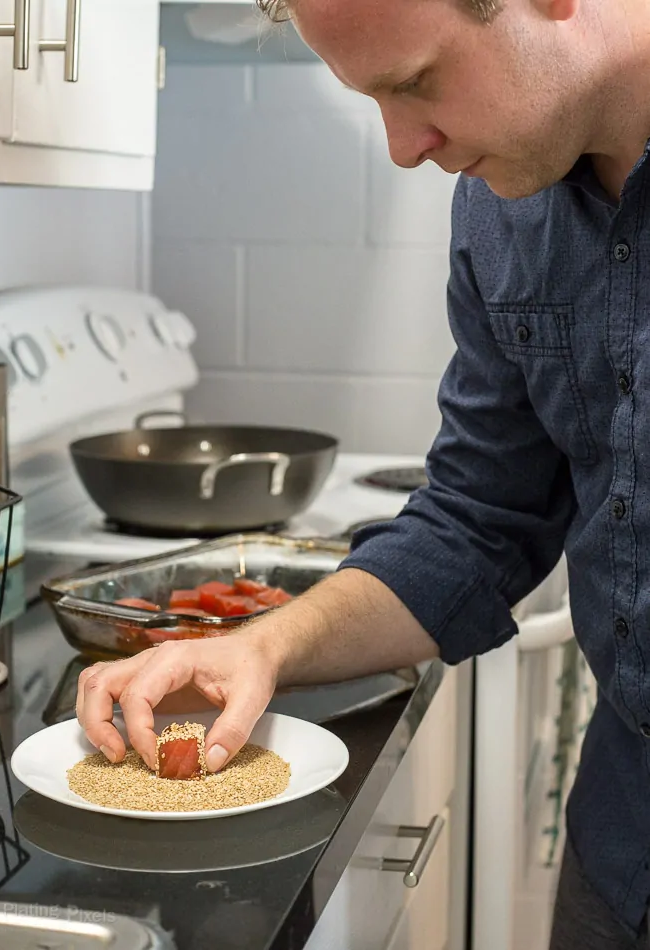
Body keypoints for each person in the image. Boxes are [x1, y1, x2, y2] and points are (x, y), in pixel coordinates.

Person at [76, 0, 650, 945]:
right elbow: (476, 521)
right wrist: (262, 647)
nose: (401, 147)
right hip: (619, 845)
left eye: (414, 82)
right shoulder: (502, 212)